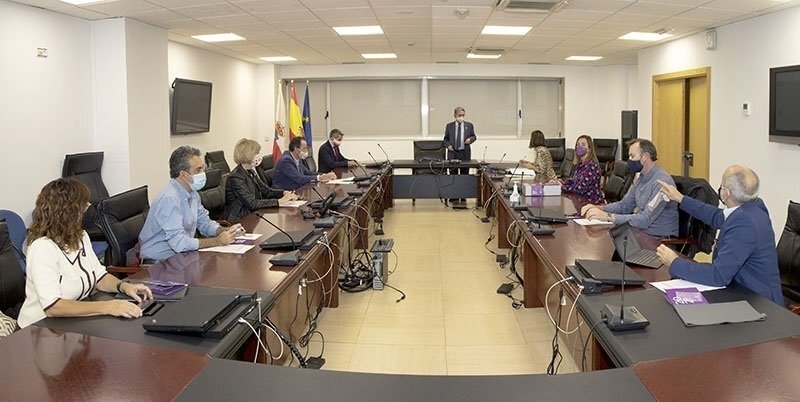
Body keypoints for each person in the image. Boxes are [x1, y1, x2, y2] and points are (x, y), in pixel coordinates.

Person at [17, 178, 152, 328]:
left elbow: (99, 277)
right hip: (37, 329)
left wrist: (124, 287)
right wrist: (108, 306)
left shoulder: (80, 236)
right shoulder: (42, 248)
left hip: (69, 323)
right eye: (84, 205)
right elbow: (53, 307)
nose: (87, 209)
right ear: (69, 212)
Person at [655, 165, 783, 305]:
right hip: (742, 291)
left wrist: (674, 262)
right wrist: (680, 198)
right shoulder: (753, 207)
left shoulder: (745, 224)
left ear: (726, 193)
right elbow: (717, 216)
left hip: (759, 303)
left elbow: (719, 275)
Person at [139, 146, 242, 262]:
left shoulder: (192, 193)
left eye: (203, 169)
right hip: (159, 262)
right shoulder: (170, 198)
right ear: (184, 175)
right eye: (198, 170)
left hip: (182, 256)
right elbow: (179, 243)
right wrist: (217, 241)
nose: (203, 173)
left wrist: (225, 231)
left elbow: (205, 223)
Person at [581, 139, 678, 237]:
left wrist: (608, 217)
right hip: (640, 233)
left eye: (632, 156)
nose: (629, 160)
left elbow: (645, 220)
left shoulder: (662, 183)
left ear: (645, 157)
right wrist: (600, 208)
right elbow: (624, 206)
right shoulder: (642, 178)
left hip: (659, 239)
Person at [223, 139, 299, 222]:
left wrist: (283, 193)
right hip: (240, 219)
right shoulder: (236, 177)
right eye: (256, 153)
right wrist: (279, 201)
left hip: (254, 214)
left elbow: (266, 191)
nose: (259, 155)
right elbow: (252, 203)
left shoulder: (250, 171)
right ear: (247, 155)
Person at [443, 106, 477, 203]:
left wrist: (470, 140)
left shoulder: (469, 125)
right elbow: (445, 139)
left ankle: (463, 195)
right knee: (453, 176)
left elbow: (474, 136)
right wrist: (448, 145)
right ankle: (454, 195)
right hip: (453, 153)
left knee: (464, 175)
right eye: (459, 115)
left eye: (463, 115)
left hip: (464, 153)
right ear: (455, 115)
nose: (461, 117)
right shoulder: (449, 126)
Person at [561, 135, 605, 204]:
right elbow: (573, 181)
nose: (579, 147)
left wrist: (562, 188)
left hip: (591, 203)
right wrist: (561, 183)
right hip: (580, 201)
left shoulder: (592, 166)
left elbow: (580, 189)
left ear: (589, 149)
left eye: (583, 145)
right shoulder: (579, 165)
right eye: (578, 145)